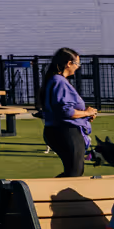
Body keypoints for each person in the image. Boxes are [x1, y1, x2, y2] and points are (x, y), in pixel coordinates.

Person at [39, 47, 96, 179]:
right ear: (69, 63)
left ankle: (48, 195)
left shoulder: (54, 80)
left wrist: (85, 116)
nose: (78, 67)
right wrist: (86, 112)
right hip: (65, 131)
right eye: (77, 64)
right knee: (74, 172)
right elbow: (66, 112)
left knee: (74, 171)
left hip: (59, 130)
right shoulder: (59, 81)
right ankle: (43, 194)